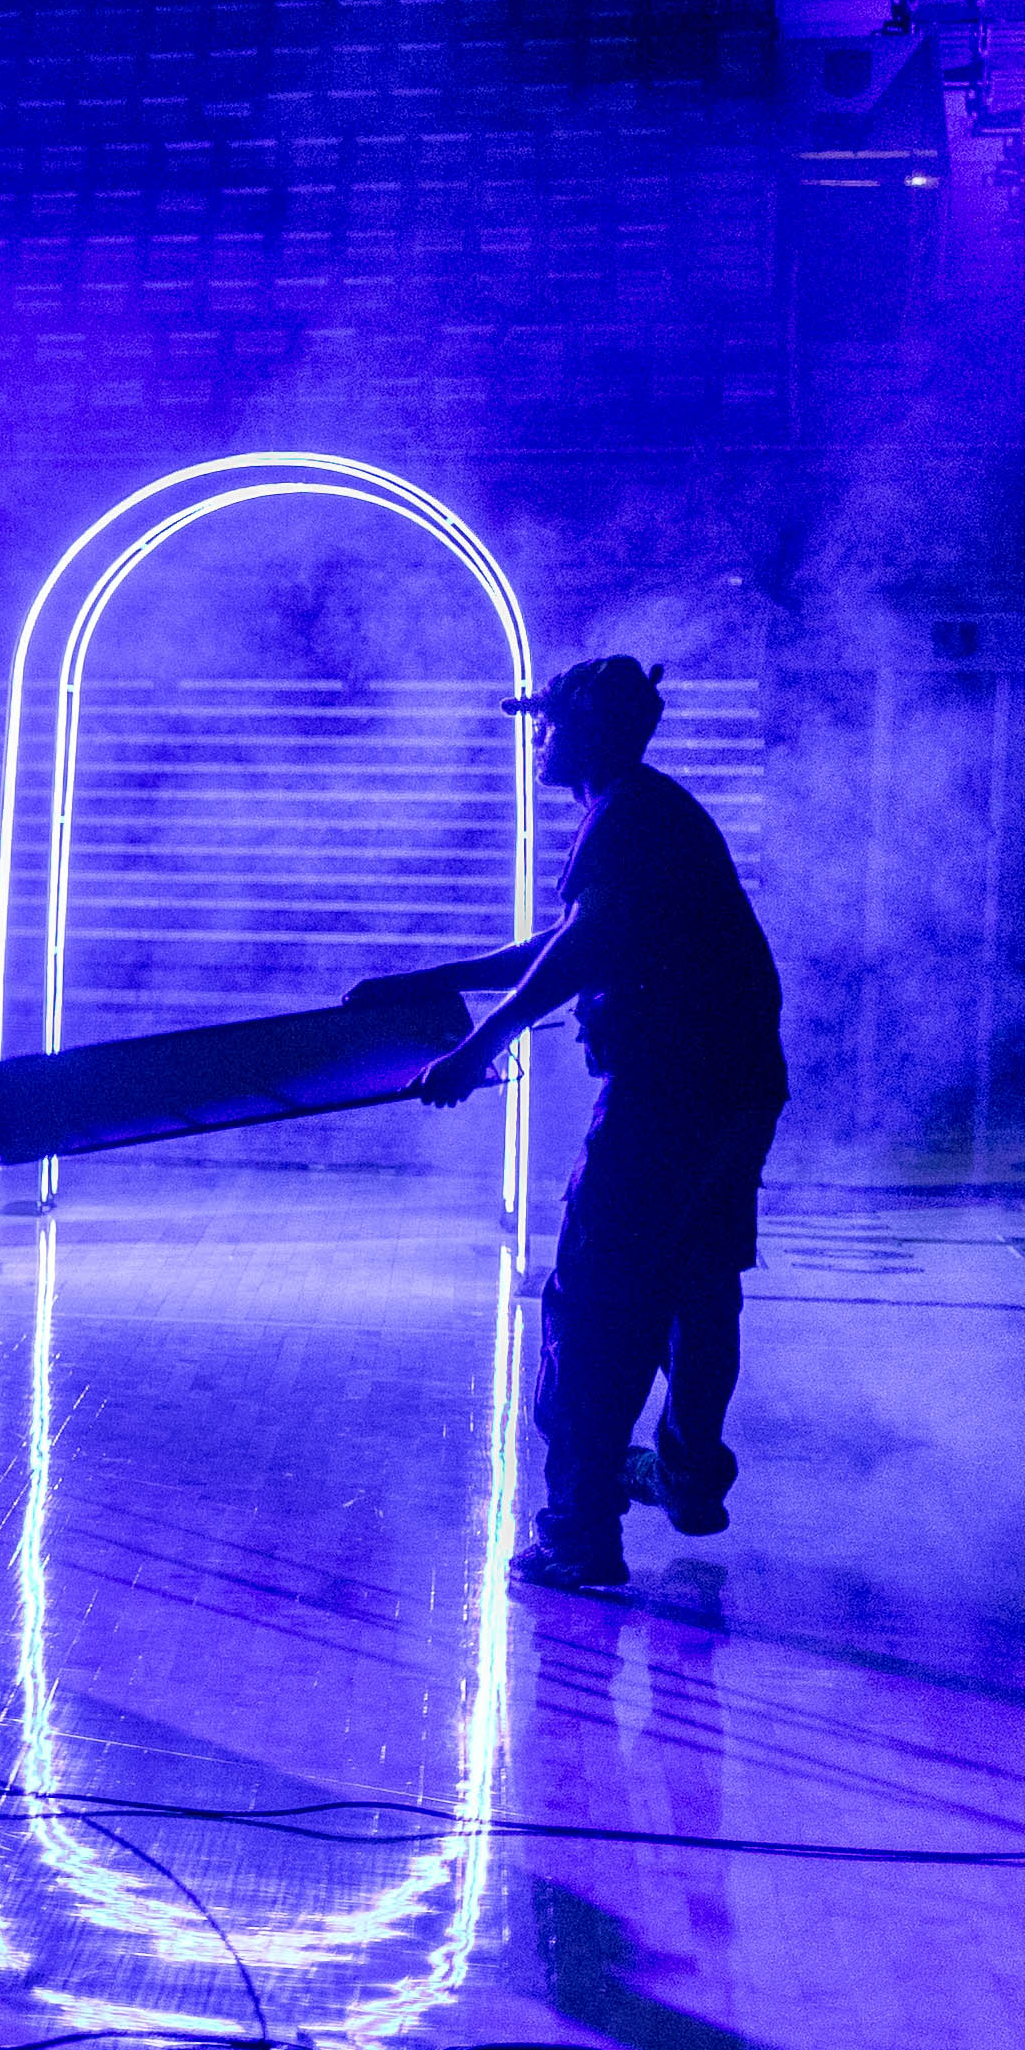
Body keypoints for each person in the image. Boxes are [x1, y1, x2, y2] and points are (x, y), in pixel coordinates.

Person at [365, 654, 785, 1595]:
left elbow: (585, 946)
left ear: (588, 732)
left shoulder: (626, 814)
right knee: (700, 1281)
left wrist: (477, 1049)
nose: (539, 740)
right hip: (737, 1084)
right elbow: (570, 941)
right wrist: (438, 981)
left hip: (669, 1093)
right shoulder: (649, 811)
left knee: (596, 1302)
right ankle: (685, 1475)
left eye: (549, 726)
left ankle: (577, 1534)